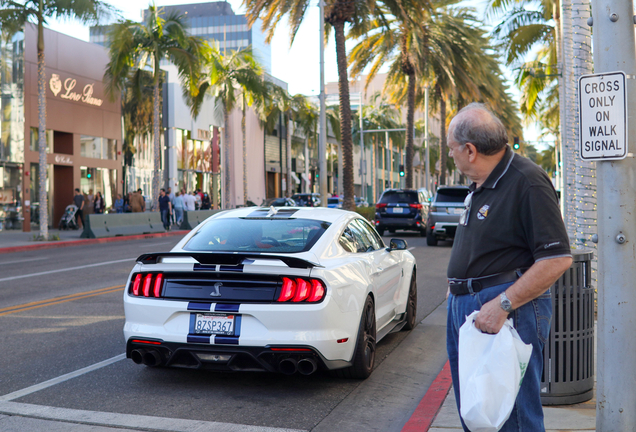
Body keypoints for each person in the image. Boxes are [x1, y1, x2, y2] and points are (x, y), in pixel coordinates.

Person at [445, 103, 572, 432]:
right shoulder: (481, 183)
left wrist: (503, 304)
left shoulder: (527, 181)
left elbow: (557, 258)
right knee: (480, 416)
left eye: (452, 149)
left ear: (470, 150)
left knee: (514, 420)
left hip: (504, 313)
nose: (452, 156)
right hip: (472, 310)